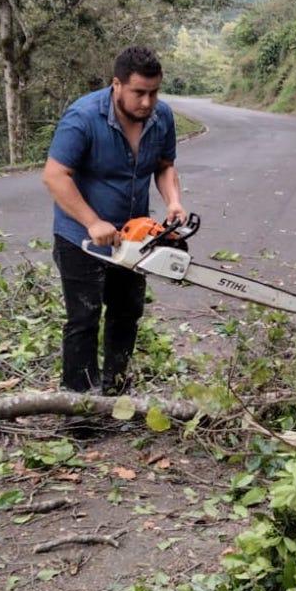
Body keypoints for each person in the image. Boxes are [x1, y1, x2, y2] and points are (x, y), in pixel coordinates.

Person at [41, 45, 186, 394]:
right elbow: (55, 175)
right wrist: (92, 221)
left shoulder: (161, 117)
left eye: (153, 92)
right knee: (84, 318)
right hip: (81, 237)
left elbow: (164, 167)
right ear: (117, 85)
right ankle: (79, 405)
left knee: (127, 312)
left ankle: (116, 391)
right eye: (139, 92)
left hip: (134, 236)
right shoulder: (84, 117)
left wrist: (174, 202)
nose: (147, 102)